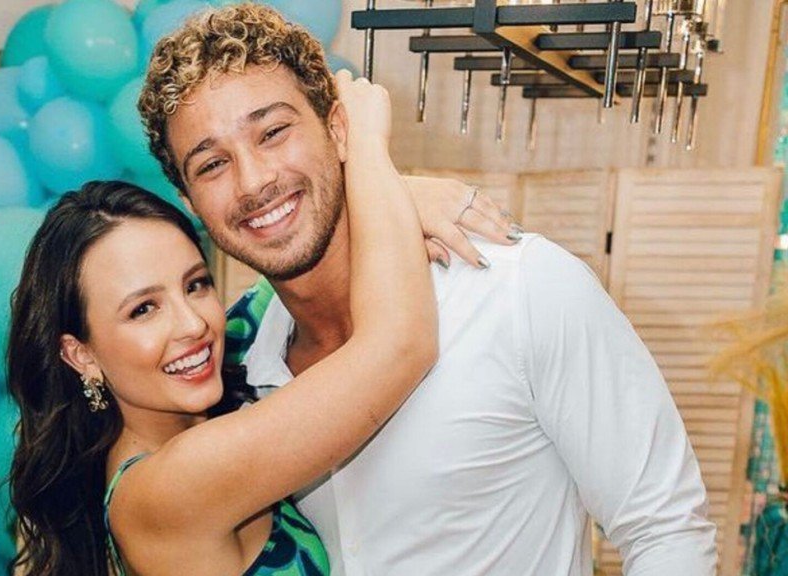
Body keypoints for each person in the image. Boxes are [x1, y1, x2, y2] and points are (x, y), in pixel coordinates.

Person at [138, 4, 718, 575]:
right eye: (211, 165)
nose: (254, 181)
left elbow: (665, 528)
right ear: (190, 201)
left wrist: (385, 184)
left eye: (273, 132)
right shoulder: (230, 364)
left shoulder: (521, 288)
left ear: (338, 130)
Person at [8, 70, 448, 575]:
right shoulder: (167, 489)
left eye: (195, 284)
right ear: (80, 353)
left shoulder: (231, 345)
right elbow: (400, 346)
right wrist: (366, 147)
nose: (192, 325)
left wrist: (411, 197)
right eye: (143, 309)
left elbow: (300, 256)